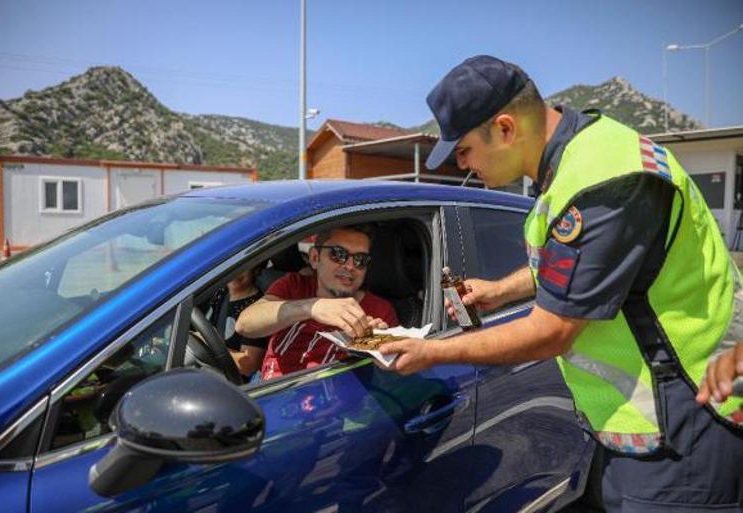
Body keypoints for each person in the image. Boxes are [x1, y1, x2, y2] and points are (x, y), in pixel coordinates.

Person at [378, 55, 743, 511]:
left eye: (464, 149)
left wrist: (431, 352)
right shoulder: (574, 164)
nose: (463, 165)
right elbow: (572, 268)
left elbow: (553, 330)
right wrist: (498, 292)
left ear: (506, 128)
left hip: (685, 426)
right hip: (637, 428)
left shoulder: (606, 182)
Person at [236, 224, 398, 380]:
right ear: (314, 257)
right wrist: (312, 307)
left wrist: (371, 345)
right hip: (269, 393)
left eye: (360, 260)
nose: (350, 266)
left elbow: (388, 380)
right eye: (338, 254)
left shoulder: (379, 311)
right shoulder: (294, 285)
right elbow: (244, 324)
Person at [208, 264, 269, 378]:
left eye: (242, 267)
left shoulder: (257, 308)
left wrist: (207, 344)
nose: (235, 272)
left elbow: (248, 365)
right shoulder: (218, 293)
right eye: (232, 266)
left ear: (255, 270)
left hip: (230, 382)